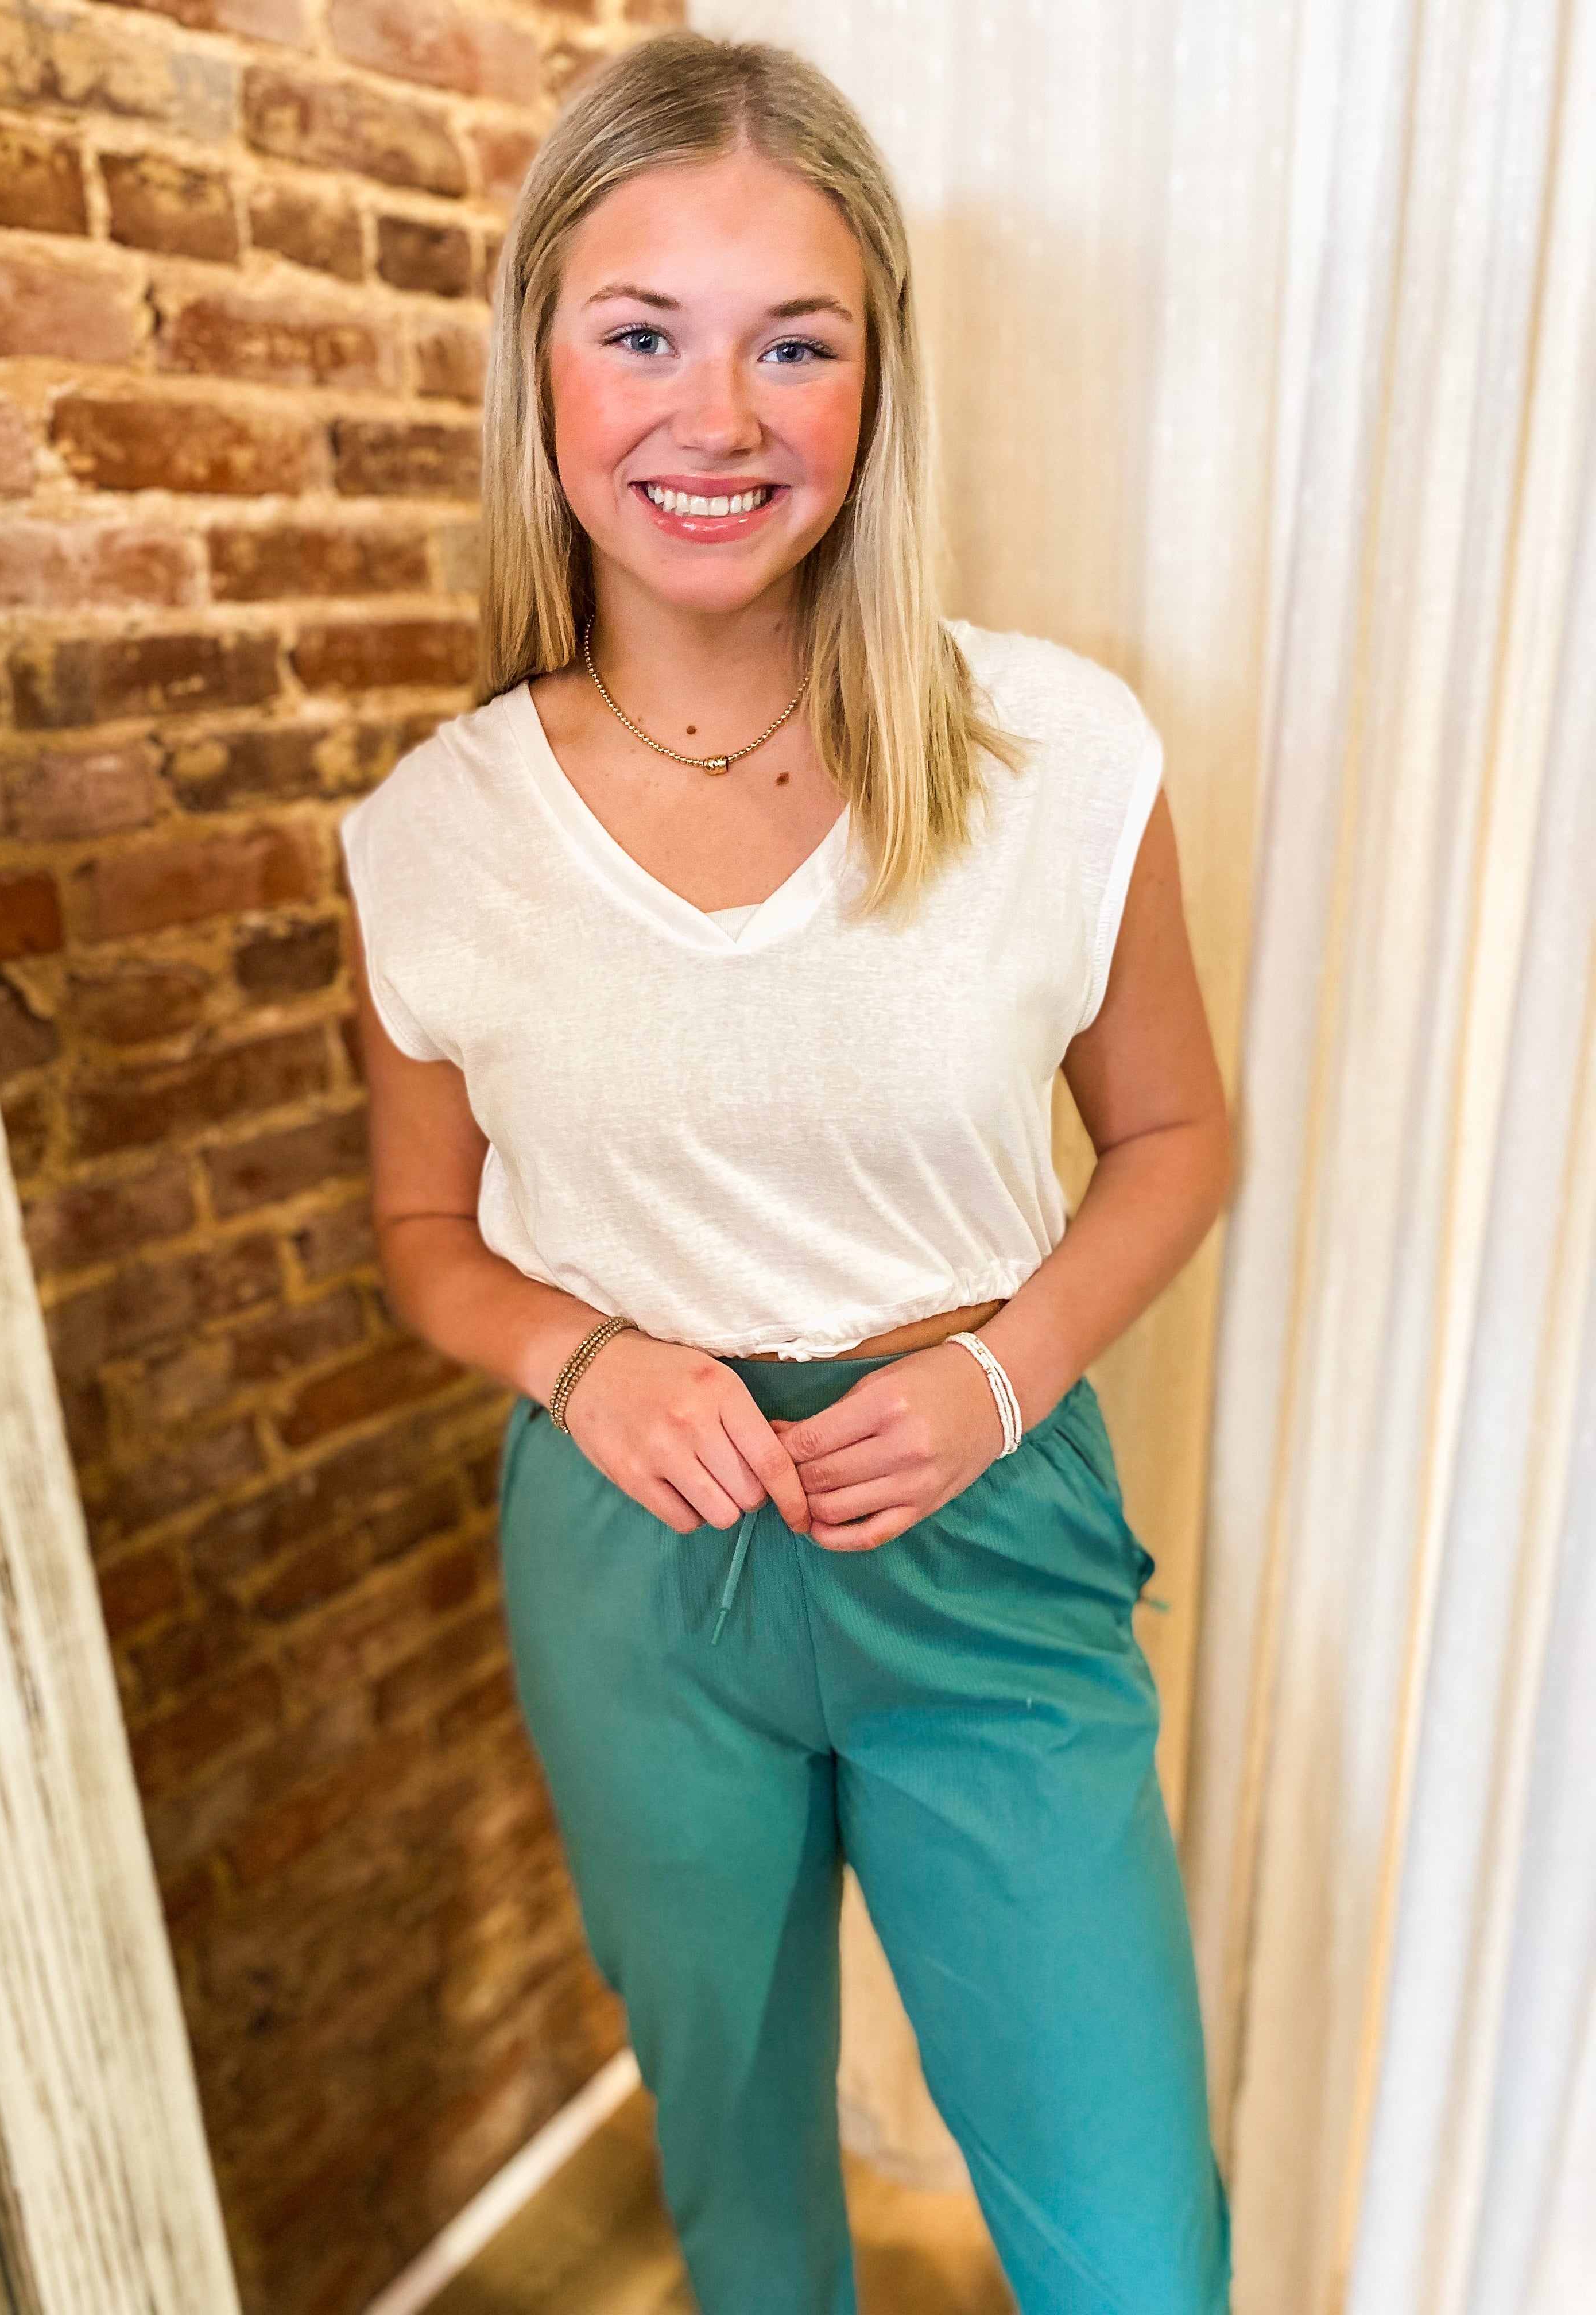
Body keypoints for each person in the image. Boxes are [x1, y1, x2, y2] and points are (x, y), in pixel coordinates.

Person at [340, 30, 1233, 2315]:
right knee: (745, 2206)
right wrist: (583, 1355)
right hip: (635, 1570)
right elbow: (424, 1235)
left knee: (1137, 2250)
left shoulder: (1057, 754)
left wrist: (1007, 1376)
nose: (712, 419)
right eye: (642, 333)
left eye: (792, 345)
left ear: (876, 381)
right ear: (541, 356)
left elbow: (1173, 1133)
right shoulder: (432, 839)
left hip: (986, 1528)